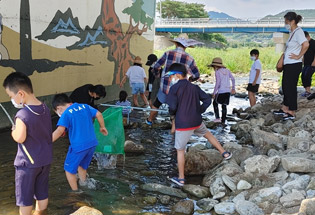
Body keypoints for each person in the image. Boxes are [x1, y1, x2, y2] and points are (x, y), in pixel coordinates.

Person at [166, 63, 232, 186]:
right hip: (196, 121)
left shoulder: (174, 89)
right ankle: (224, 153)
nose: (171, 77)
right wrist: (199, 110)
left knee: (180, 150)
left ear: (178, 75)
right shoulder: (194, 87)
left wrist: (173, 116)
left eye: (171, 75)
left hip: (183, 123)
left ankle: (181, 179)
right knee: (207, 134)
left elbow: (172, 107)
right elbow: (207, 99)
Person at [3, 72, 53, 215]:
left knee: (25, 199)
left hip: (27, 164)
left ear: (21, 94)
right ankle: (40, 213)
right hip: (45, 160)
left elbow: (20, 138)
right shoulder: (45, 108)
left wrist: (13, 131)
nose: (12, 99)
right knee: (42, 193)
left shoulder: (22, 115)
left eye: (11, 96)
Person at [52, 94, 108, 192]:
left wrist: (46, 141)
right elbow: (98, 114)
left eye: (57, 112)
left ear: (59, 108)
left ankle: (76, 192)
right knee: (82, 165)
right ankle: (84, 183)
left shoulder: (66, 114)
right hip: (92, 144)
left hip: (78, 147)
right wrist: (102, 127)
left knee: (69, 170)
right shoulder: (84, 106)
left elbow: (59, 131)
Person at [146, 37, 203, 125]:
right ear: (186, 46)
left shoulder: (168, 53)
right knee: (176, 108)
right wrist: (190, 80)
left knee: (156, 104)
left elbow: (156, 66)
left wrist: (158, 75)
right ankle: (175, 128)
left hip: (165, 87)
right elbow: (196, 75)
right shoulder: (190, 58)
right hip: (180, 90)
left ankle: (149, 121)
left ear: (176, 44)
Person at [274, 12, 309, 120]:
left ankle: (291, 111)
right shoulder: (292, 32)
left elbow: (306, 44)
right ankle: (285, 107)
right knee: (285, 86)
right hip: (289, 64)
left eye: (286, 22)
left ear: (292, 21)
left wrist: (299, 55)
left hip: (294, 64)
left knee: (290, 87)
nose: (286, 24)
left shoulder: (298, 32)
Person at [209, 58, 236, 124]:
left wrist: (214, 93)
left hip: (221, 91)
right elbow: (233, 79)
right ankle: (223, 121)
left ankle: (218, 118)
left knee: (215, 103)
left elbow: (218, 83)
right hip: (227, 91)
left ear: (215, 66)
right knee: (224, 105)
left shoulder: (217, 72)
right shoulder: (227, 70)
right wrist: (233, 88)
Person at [301, 31, 315, 98]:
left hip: (312, 63)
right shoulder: (305, 44)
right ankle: (306, 91)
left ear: (307, 36)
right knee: (303, 75)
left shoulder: (313, 43)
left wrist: (314, 62)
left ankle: (308, 91)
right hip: (306, 63)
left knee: (307, 75)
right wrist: (303, 60)